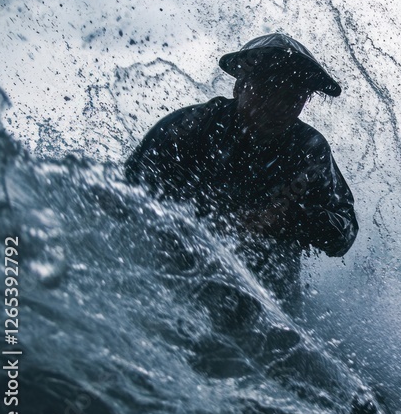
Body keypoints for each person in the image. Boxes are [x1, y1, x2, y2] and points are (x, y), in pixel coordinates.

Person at [125, 33, 358, 301]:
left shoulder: (309, 150)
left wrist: (293, 220)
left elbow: (345, 232)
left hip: (268, 298)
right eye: (268, 89)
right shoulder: (189, 128)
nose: (278, 106)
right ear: (239, 87)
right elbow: (125, 198)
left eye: (294, 95)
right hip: (170, 276)